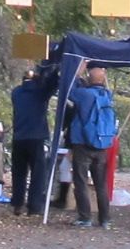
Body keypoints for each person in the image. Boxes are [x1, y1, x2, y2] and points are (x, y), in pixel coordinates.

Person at [67, 64, 121, 227]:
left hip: (83, 142)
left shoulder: (84, 94)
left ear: (89, 79)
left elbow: (69, 90)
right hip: (102, 143)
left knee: (81, 181)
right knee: (101, 184)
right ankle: (105, 219)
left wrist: (78, 72)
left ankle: (85, 217)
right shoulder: (107, 95)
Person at [7, 61, 57, 216]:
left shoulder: (16, 93)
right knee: (38, 173)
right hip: (37, 136)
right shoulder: (41, 92)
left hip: (19, 136)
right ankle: (34, 206)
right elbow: (53, 84)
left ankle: (17, 203)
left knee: (19, 172)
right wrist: (52, 70)